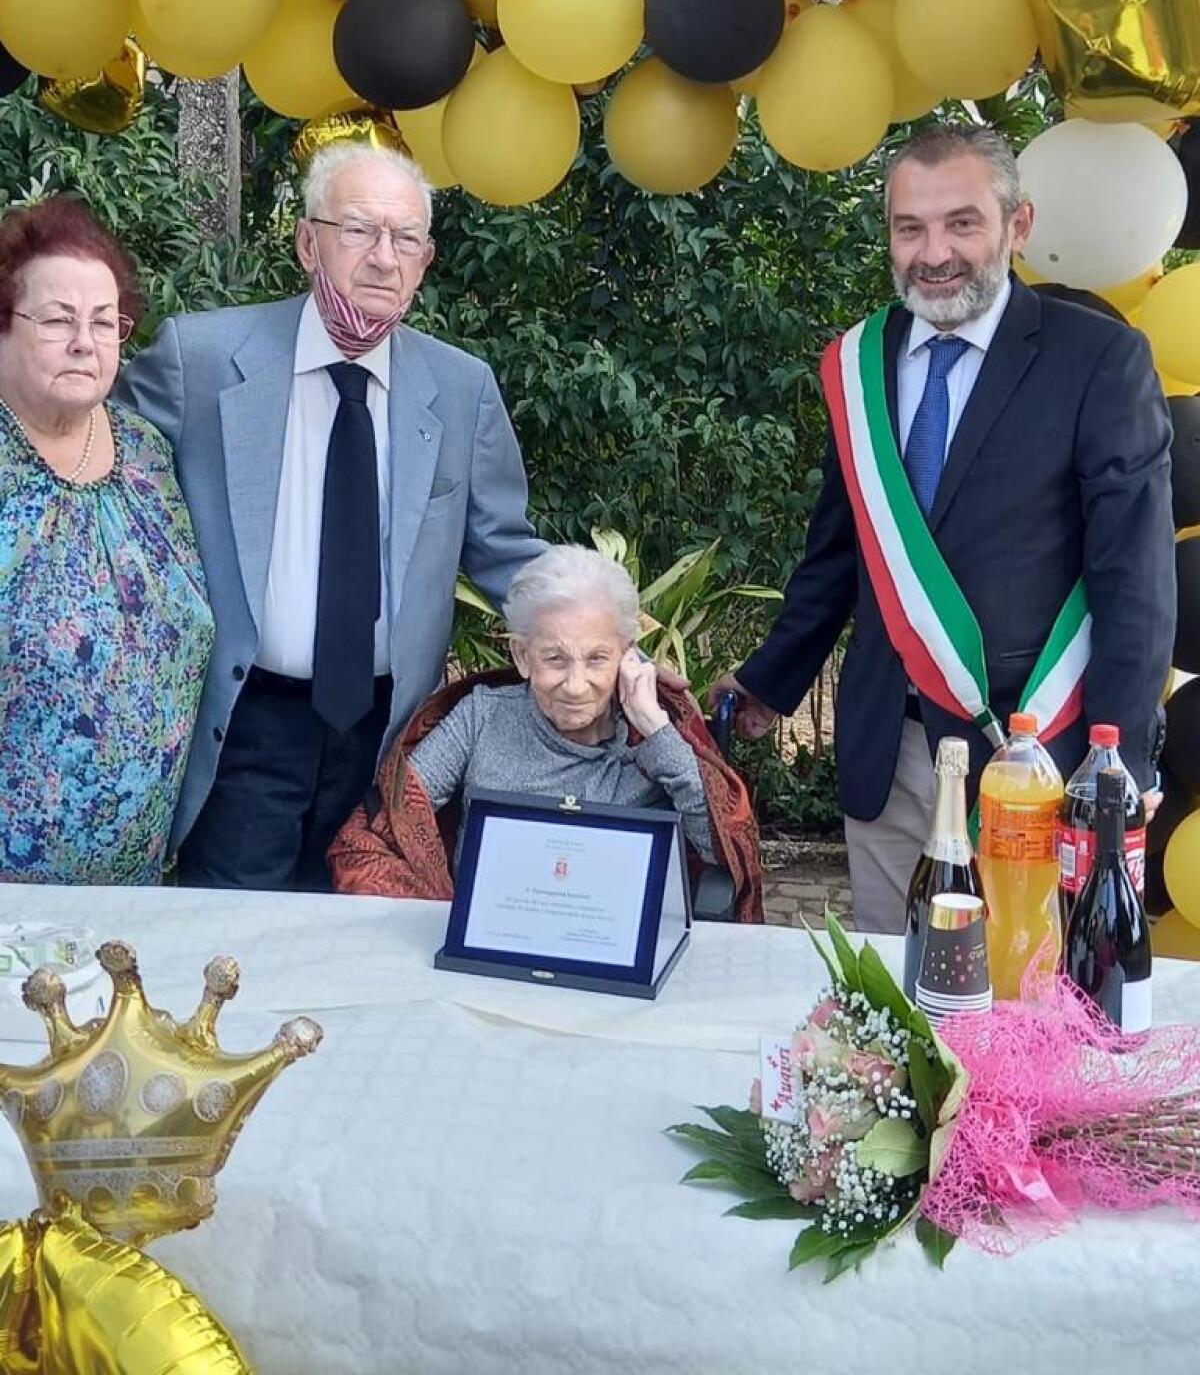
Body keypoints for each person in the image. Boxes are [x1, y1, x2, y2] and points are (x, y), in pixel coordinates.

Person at [711, 124, 1175, 932]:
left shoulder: (1099, 360)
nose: (935, 253)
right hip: (886, 750)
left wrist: (1117, 768)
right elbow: (840, 551)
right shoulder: (860, 362)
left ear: (1017, 226)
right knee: (900, 1002)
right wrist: (768, 682)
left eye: (962, 223)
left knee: (1026, 1001)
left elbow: (1135, 581)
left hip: (1036, 749)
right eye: (910, 227)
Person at [117, 144, 545, 891]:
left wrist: (596, 627)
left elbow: (504, 549)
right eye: (358, 230)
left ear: (426, 259)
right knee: (234, 951)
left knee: (356, 953)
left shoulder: (460, 387)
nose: (384, 257)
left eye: (405, 238)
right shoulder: (204, 358)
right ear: (307, 242)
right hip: (248, 720)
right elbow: (102, 473)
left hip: (383, 735)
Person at [328, 546, 763, 921]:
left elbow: (723, 857)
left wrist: (655, 731)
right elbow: (379, 828)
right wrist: (448, 917)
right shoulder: (480, 717)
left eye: (596, 659)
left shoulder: (653, 733)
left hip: (615, 960)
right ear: (522, 655)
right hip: (491, 951)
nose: (575, 685)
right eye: (555, 659)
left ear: (627, 656)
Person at [0, 195, 213, 883]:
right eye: (57, 320)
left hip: (139, 881)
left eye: (103, 321)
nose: (84, 342)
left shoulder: (148, 454)